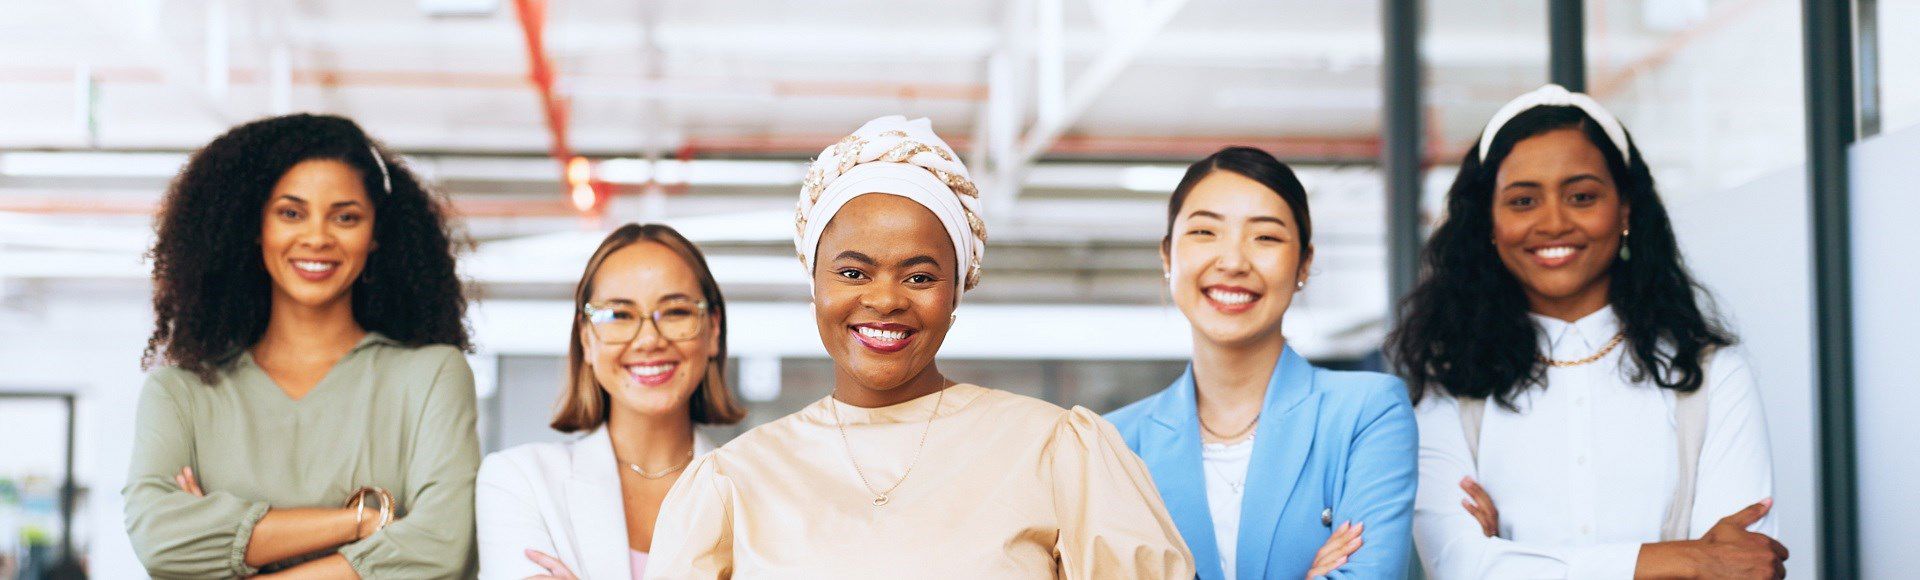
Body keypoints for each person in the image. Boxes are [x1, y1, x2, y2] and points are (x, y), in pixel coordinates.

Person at [644, 115, 1194, 578]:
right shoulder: (733, 483)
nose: (885, 300)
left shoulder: (1054, 451)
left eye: (920, 277)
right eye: (853, 272)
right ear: (814, 283)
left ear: (957, 290)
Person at [1387, 85, 1786, 579]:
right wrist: (1687, 558)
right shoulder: (1450, 382)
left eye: (1582, 197)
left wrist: (1509, 560)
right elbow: (1460, 566)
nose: (1553, 222)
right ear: (1489, 221)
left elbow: (1739, 569)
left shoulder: (1712, 374)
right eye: (1523, 201)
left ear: (1625, 210)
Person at [124, 113, 479, 578]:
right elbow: (160, 539)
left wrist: (232, 551)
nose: (317, 237)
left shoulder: (432, 377)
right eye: (291, 213)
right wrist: (360, 523)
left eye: (346, 217)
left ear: (375, 234)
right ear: (256, 226)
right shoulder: (181, 393)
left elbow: (441, 549)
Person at [1107, 146, 1416, 579]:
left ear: (1303, 264)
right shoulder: (1114, 444)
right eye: (1205, 232)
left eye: (1266, 237)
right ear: (1167, 256)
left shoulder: (1367, 412)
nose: (1233, 262)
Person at [477, 223, 747, 579]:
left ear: (713, 329)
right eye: (619, 315)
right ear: (586, 338)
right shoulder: (517, 480)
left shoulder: (756, 492)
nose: (649, 340)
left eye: (676, 312)